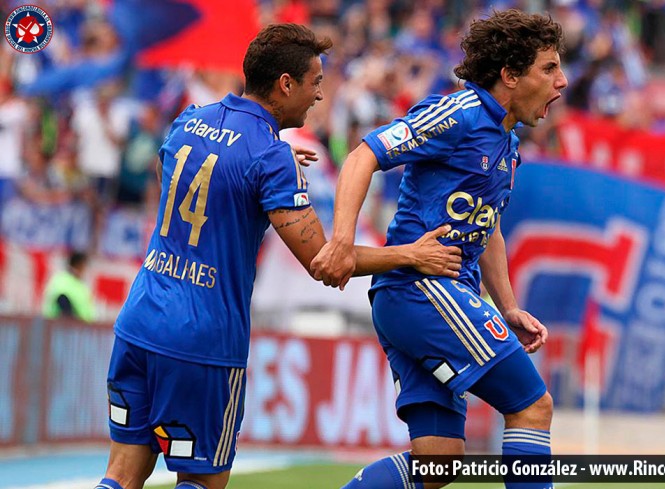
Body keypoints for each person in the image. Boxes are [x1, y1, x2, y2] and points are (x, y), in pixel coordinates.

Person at [95, 24, 461, 489]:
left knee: (122, 472)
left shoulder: (188, 119)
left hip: (140, 320)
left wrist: (272, 165)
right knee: (200, 480)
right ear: (286, 84)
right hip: (202, 341)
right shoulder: (270, 159)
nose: (319, 97)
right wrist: (411, 255)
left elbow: (213, 164)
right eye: (314, 83)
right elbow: (326, 263)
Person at [311, 9, 567, 489]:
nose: (563, 81)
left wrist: (507, 304)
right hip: (421, 290)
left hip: (422, 297)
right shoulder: (460, 113)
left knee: (439, 463)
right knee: (533, 406)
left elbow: (486, 226)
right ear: (510, 75)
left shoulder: (506, 140)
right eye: (549, 68)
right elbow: (365, 155)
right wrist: (343, 240)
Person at [42, 250, 95, 322]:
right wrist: (72, 322)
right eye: (83, 266)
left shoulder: (81, 285)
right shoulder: (62, 279)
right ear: (77, 265)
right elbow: (61, 300)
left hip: (79, 330)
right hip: (61, 327)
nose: (85, 270)